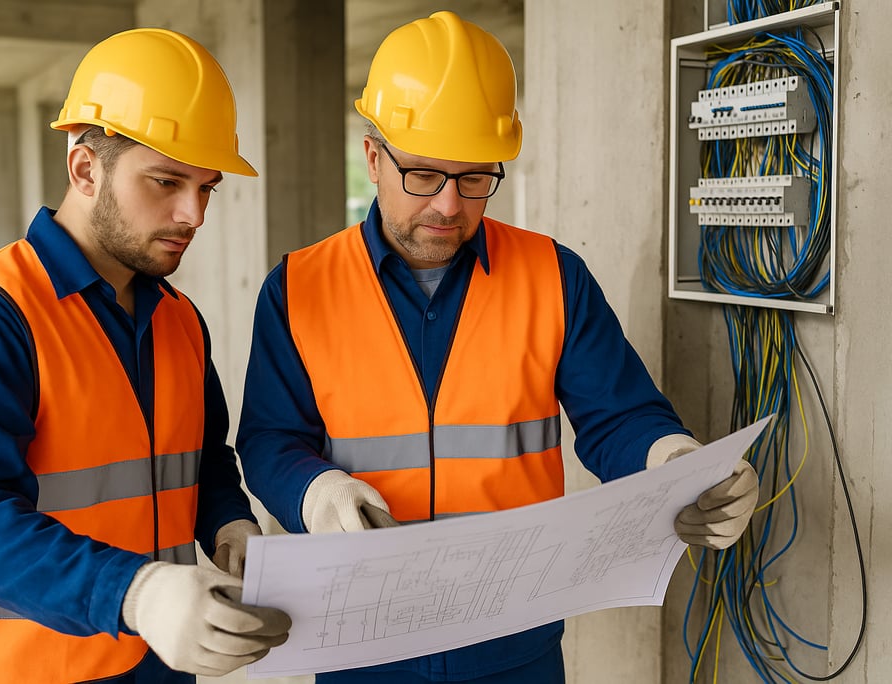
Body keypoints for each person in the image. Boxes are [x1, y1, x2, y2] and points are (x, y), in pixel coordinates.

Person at [235, 11, 757, 684]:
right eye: (422, 175)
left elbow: (619, 417)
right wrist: (317, 493)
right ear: (373, 157)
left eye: (475, 177)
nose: (450, 205)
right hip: (361, 639)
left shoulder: (552, 276)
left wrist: (676, 461)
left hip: (513, 642)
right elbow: (270, 440)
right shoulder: (299, 288)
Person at [0, 28, 290, 684]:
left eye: (207, 188)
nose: (191, 213)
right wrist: (136, 593)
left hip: (155, 659)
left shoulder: (177, 319)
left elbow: (200, 456)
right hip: (22, 669)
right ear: (85, 168)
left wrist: (228, 522)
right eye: (166, 181)